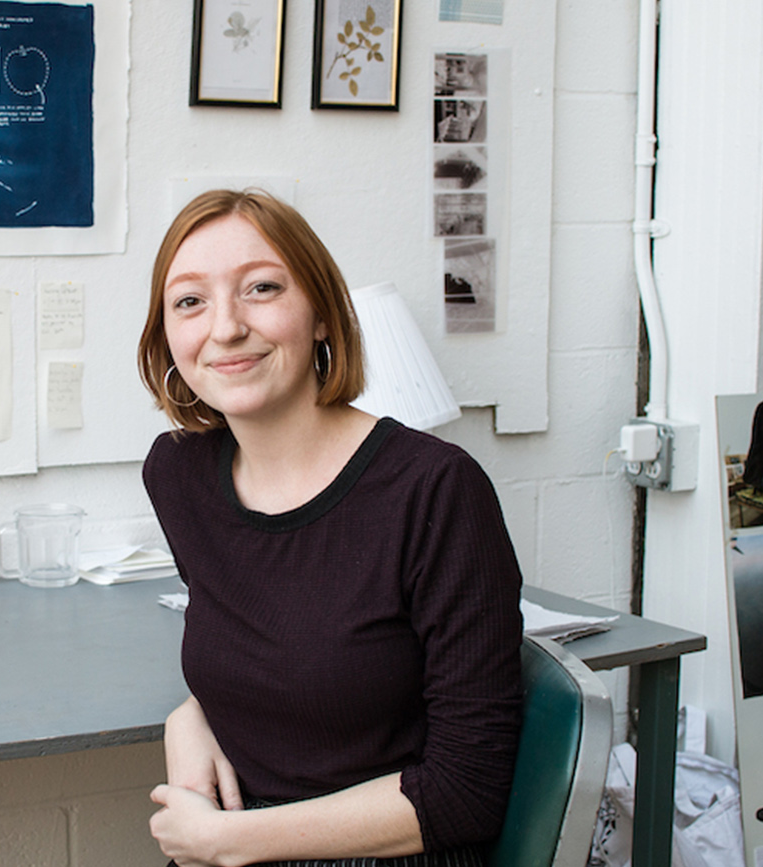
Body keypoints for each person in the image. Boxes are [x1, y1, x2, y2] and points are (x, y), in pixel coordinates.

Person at [137, 189, 523, 867]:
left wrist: (232, 841)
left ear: (321, 314)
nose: (224, 328)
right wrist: (193, 712)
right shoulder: (178, 474)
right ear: (167, 335)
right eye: (190, 301)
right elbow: (267, 638)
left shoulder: (434, 489)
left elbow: (467, 792)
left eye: (261, 288)